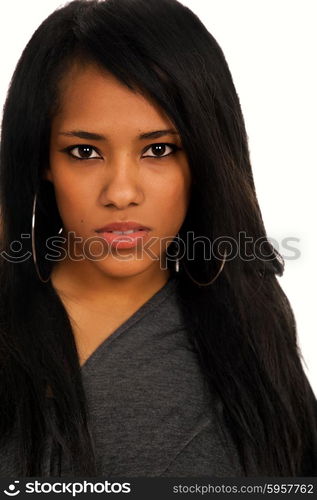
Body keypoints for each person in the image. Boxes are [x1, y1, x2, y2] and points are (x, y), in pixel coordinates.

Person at [0, 0, 316, 478]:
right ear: (43, 157)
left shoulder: (252, 318)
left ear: (205, 155)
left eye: (159, 149)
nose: (121, 192)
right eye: (84, 151)